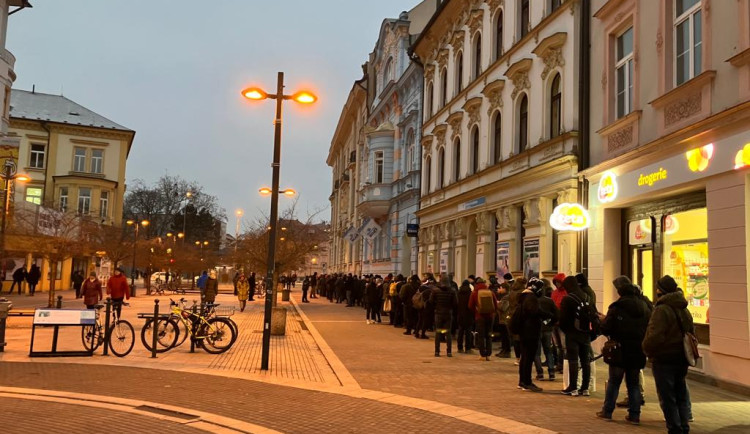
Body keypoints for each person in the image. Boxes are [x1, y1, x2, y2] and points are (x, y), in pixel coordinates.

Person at [597, 275, 652, 425]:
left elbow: (606, 327)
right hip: (638, 350)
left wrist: (603, 321)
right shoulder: (645, 307)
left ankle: (607, 411)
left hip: (619, 350)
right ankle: (634, 415)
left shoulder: (616, 307)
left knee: (614, 382)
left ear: (620, 292)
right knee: (633, 383)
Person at [643, 275, 694, 434]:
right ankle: (684, 425)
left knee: (667, 395)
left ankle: (674, 427)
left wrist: (646, 349)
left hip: (664, 357)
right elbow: (691, 332)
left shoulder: (661, 309)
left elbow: (655, 335)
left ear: (661, 290)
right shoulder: (684, 309)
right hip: (681, 357)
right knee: (681, 393)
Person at [515, 278, 551, 392]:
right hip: (530, 332)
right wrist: (548, 315)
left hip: (524, 331)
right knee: (528, 357)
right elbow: (535, 312)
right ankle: (527, 382)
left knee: (525, 357)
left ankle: (522, 381)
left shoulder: (523, 297)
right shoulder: (531, 298)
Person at [559, 276, 593, 396]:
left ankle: (573, 386)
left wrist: (566, 330)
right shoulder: (587, 297)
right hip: (585, 333)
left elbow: (562, 319)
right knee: (585, 361)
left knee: (573, 360)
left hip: (572, 333)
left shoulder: (568, 299)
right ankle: (585, 388)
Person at [534, 278, 559, 381]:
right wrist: (551, 323)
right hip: (548, 329)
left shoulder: (534, 301)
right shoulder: (550, 301)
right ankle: (551, 372)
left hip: (536, 329)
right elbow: (557, 315)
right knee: (548, 351)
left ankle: (540, 373)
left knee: (537, 352)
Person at [468, 277, 498, 361]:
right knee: (488, 335)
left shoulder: (474, 293)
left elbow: (470, 306)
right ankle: (488, 355)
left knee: (481, 336)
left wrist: (477, 311)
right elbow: (495, 305)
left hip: (479, 317)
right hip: (490, 317)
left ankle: (482, 355)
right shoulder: (490, 292)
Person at [431, 276, 458, 357]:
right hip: (448, 313)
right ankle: (449, 352)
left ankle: (437, 351)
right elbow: (455, 303)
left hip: (438, 313)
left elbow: (431, 301)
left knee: (438, 332)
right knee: (448, 333)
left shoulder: (435, 290)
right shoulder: (452, 291)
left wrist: (436, 306)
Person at [551, 272, 567, 373]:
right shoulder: (554, 293)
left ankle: (564, 365)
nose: (557, 284)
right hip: (554, 322)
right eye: (556, 282)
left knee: (564, 345)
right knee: (557, 346)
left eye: (559, 282)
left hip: (562, 323)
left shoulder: (566, 293)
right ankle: (559, 364)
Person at [456, 279, 475, 353]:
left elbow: (456, 304)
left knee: (460, 331)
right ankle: (468, 348)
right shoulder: (470, 294)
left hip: (460, 314)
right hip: (468, 315)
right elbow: (472, 305)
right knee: (468, 332)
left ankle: (459, 347)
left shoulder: (458, 293)